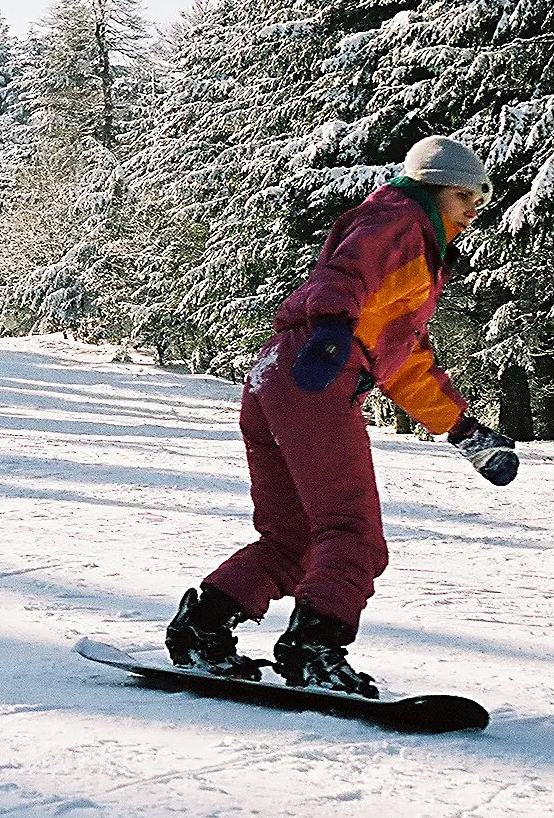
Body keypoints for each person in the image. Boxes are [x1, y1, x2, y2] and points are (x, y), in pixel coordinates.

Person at [164, 136, 520, 698]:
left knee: (293, 540)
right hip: (315, 373)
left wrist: (464, 430)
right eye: (465, 193)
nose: (476, 205)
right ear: (433, 189)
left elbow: (404, 362)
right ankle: (315, 650)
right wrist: (331, 328)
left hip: (279, 377)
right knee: (353, 535)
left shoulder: (416, 256)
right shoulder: (400, 219)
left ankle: (204, 628)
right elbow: (345, 271)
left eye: (483, 193)